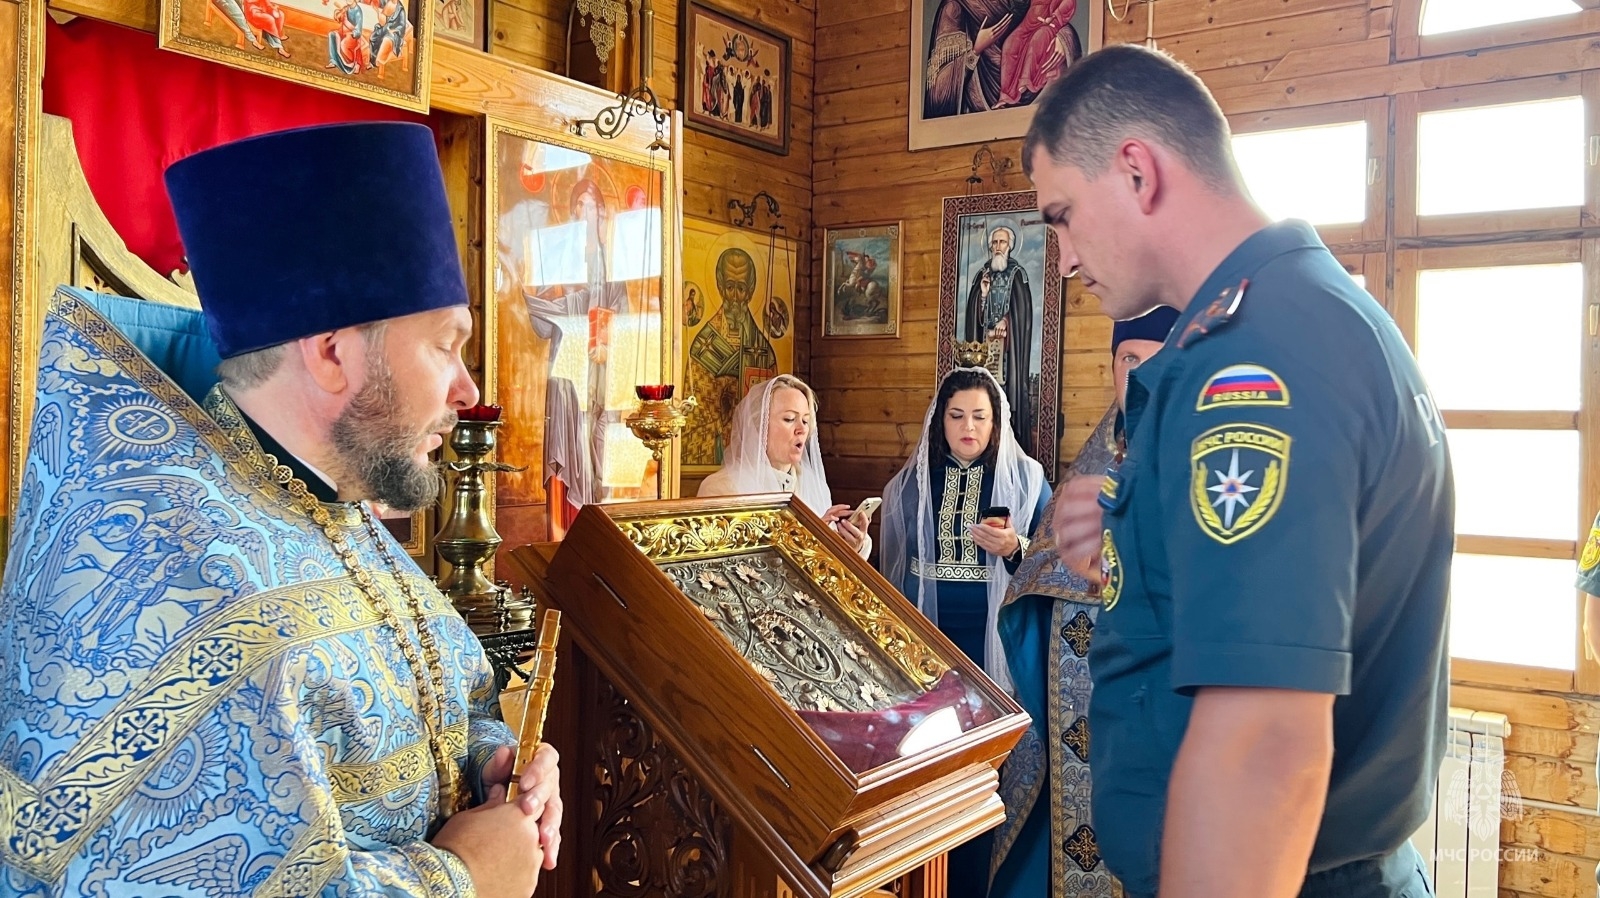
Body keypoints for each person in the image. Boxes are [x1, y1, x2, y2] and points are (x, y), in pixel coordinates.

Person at [0, 122, 562, 897]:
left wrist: (495, 767)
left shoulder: (329, 506)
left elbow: (449, 695)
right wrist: (459, 879)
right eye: (444, 344)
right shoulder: (170, 572)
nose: (467, 390)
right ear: (332, 353)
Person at [1027, 44, 1453, 898]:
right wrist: (1135, 537)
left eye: (1062, 216)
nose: (1064, 259)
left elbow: (1265, 742)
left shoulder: (1255, 361)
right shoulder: (1287, 321)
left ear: (1137, 171)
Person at [990, 305, 1177, 898]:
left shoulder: (1198, 460)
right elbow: (1041, 570)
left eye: (1155, 360)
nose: (1139, 376)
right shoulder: (1091, 463)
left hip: (1162, 700)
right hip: (1079, 693)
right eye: (1128, 359)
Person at [879, 363, 1050, 898]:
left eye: (979, 415)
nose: (968, 427)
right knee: (930, 759)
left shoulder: (1027, 479)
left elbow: (1055, 561)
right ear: (940, 421)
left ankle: (984, 881)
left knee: (987, 765)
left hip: (994, 643)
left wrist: (1017, 548)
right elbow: (892, 568)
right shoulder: (910, 484)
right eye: (956, 416)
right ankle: (929, 878)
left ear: (996, 422)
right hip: (927, 643)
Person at [697, 375, 870, 557]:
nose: (801, 429)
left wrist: (850, 547)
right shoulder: (720, 488)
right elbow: (715, 565)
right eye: (789, 419)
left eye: (805, 420)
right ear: (758, 426)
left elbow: (828, 562)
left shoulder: (815, 486)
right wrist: (808, 540)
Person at [962, 225, 1035, 456]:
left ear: (1010, 246)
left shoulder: (1017, 274)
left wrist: (1007, 321)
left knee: (1004, 395)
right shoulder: (983, 275)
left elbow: (1022, 314)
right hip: (986, 350)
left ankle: (1006, 445)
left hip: (1007, 352)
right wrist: (983, 295)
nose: (997, 247)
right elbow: (976, 318)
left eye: (1002, 242)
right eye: (994, 242)